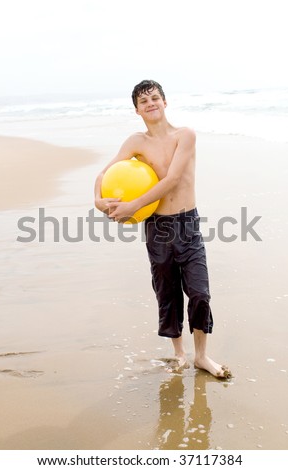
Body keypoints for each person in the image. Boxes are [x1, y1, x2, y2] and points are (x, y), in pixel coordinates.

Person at [94, 79, 231, 379]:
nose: (151, 104)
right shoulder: (136, 143)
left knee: (199, 293)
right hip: (156, 226)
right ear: (137, 110)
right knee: (166, 292)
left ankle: (202, 356)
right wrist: (98, 200)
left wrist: (131, 207)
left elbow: (170, 180)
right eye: (144, 102)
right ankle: (180, 354)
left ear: (165, 102)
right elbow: (105, 173)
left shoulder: (185, 136)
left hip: (187, 223)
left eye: (155, 98)